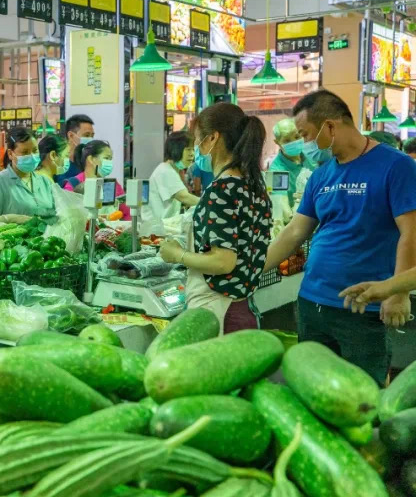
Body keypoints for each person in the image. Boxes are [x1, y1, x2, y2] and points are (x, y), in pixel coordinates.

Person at [264, 89, 416, 384]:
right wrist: (253, 271)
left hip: (363, 306)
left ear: (330, 126)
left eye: (306, 135)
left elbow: (411, 232)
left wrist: (399, 292)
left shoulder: (397, 167)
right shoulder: (321, 176)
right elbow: (294, 232)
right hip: (312, 302)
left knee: (362, 396)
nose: (305, 144)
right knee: (313, 390)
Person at [159, 103, 272, 332]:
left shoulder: (222, 190)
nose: (197, 149)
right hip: (243, 307)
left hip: (219, 314)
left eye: (198, 139)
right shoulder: (254, 187)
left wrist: (177, 255)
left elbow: (222, 261)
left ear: (212, 139)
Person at [0, 127, 59, 223]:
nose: (32, 156)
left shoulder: (45, 182)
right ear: (10, 154)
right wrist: (9, 220)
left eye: (35, 150)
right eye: (25, 152)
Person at [145, 131, 198, 235]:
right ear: (176, 150)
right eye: (188, 149)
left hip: (162, 228)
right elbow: (184, 197)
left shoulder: (173, 170)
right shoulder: (165, 171)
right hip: (156, 231)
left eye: (193, 149)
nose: (192, 154)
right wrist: (210, 204)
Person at [64, 140, 131, 219]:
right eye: (106, 158)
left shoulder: (113, 185)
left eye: (110, 159)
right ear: (91, 159)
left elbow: (127, 214)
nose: (110, 163)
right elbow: (69, 217)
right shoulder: (72, 185)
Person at [269, 118, 308, 206]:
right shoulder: (275, 171)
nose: (294, 142)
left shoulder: (312, 157)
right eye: (287, 140)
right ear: (277, 142)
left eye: (297, 137)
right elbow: (280, 208)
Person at [56, 114, 95, 186]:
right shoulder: (59, 164)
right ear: (71, 136)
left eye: (92, 136)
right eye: (86, 135)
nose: (90, 139)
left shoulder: (90, 164)